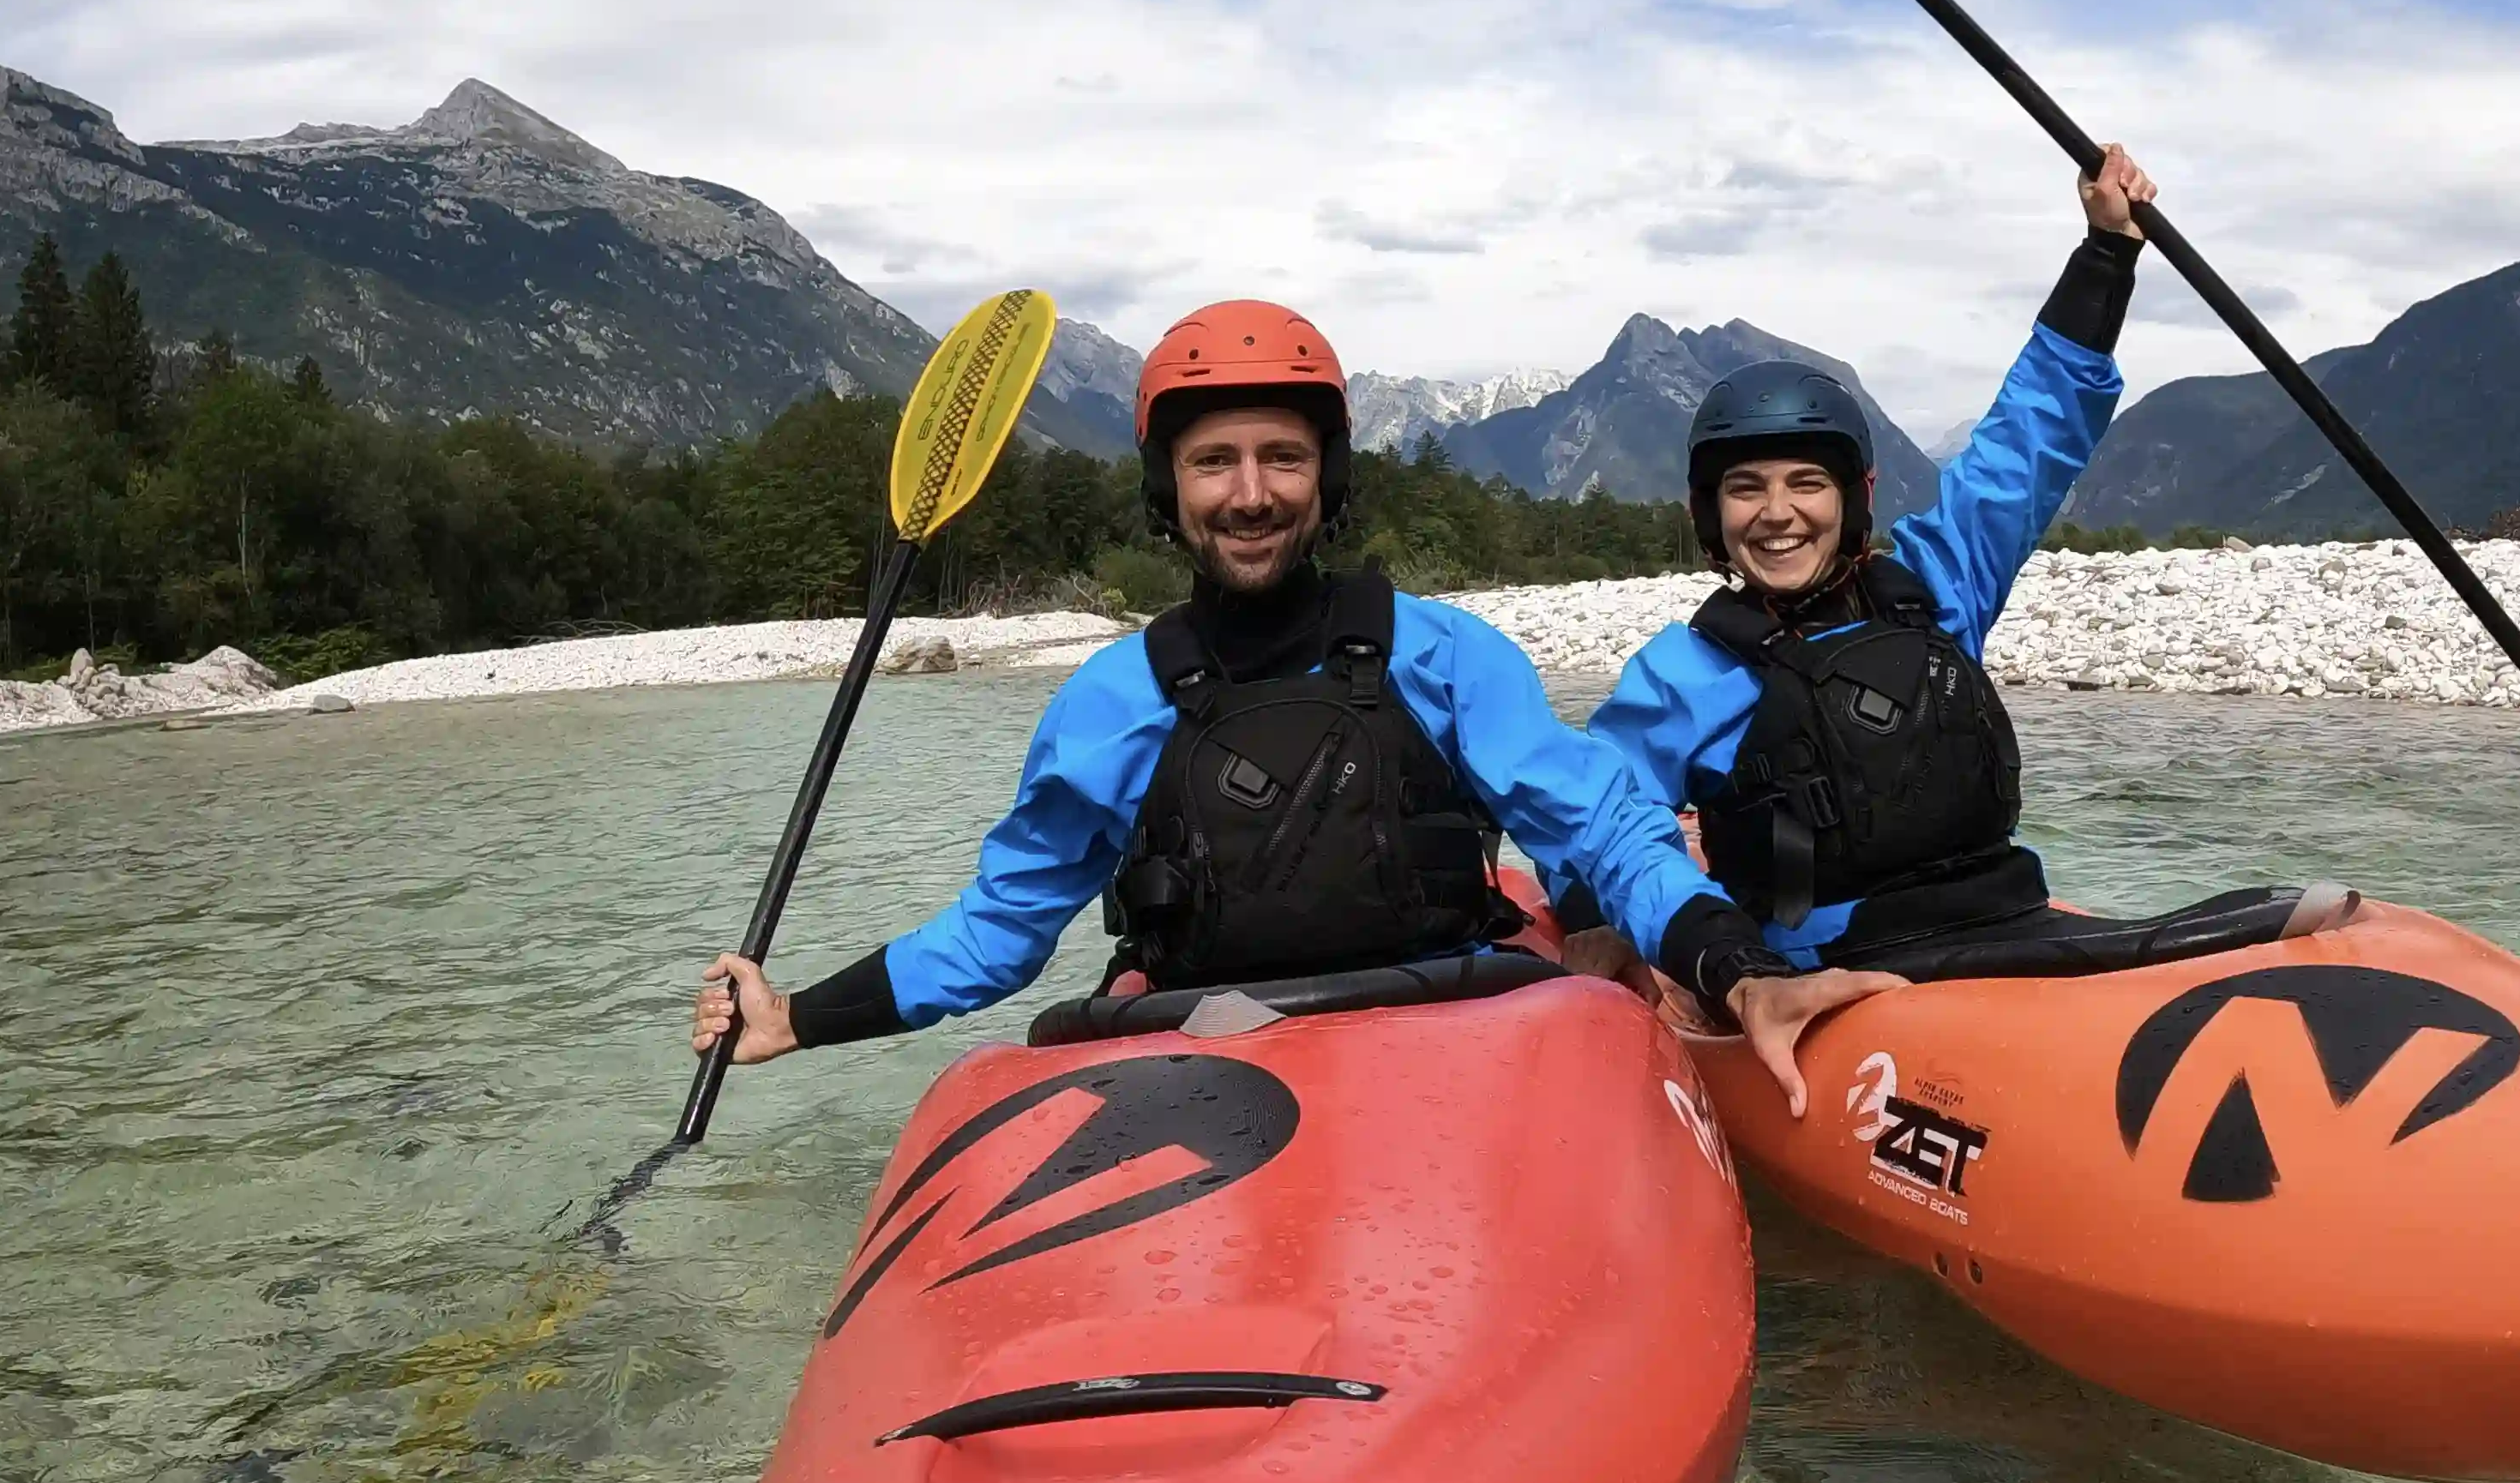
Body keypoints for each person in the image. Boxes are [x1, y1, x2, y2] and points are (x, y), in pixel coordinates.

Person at [692, 299, 1901, 1108]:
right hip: (1205, 1052)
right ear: (1168, 493)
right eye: (1214, 462)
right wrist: (796, 1018)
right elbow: (1002, 933)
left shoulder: (1441, 654)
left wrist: (1739, 970)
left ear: (1328, 481)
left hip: (1449, 1026)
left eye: (1283, 458)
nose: (1251, 493)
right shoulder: (1110, 704)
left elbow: (1602, 830)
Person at [1562, 149, 2154, 975]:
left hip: (2007, 931)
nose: (1777, 514)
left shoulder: (1934, 588)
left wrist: (2106, 255)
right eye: (1745, 488)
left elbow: (2026, 446)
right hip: (1830, 982)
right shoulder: (1678, 679)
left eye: (1807, 482)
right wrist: (1618, 925)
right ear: (1710, 512)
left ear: (1851, 500)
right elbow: (1599, 829)